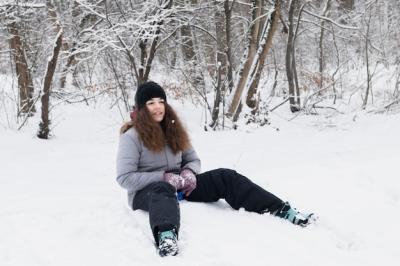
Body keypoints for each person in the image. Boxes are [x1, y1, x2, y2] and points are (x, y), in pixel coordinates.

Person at [116, 81, 314, 257]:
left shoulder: (173, 129)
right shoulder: (131, 137)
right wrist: (164, 178)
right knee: (162, 188)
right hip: (149, 193)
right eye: (151, 103)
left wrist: (188, 173)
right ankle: (166, 237)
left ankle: (278, 208)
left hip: (182, 186)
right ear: (142, 108)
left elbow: (193, 159)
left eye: (161, 101)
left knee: (225, 176)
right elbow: (124, 178)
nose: (158, 107)